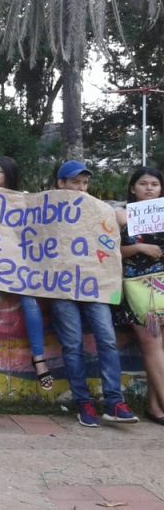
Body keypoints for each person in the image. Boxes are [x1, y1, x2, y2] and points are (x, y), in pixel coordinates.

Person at [52, 160, 137, 427]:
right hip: (61, 289)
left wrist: (122, 214)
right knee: (73, 344)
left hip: (94, 287)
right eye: (75, 182)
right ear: (60, 184)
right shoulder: (46, 209)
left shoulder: (98, 210)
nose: (80, 187)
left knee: (107, 340)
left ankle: (114, 401)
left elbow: (122, 218)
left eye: (84, 182)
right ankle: (83, 403)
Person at [0, 157, 53, 390]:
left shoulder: (23, 199)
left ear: (9, 176)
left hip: (17, 267)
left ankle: (38, 358)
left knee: (30, 301)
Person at [118, 166, 164, 425]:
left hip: (162, 284)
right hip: (138, 286)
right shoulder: (121, 215)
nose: (149, 188)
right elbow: (109, 250)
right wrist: (138, 247)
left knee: (160, 347)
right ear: (133, 188)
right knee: (151, 343)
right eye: (144, 183)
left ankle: (155, 407)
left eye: (154, 184)